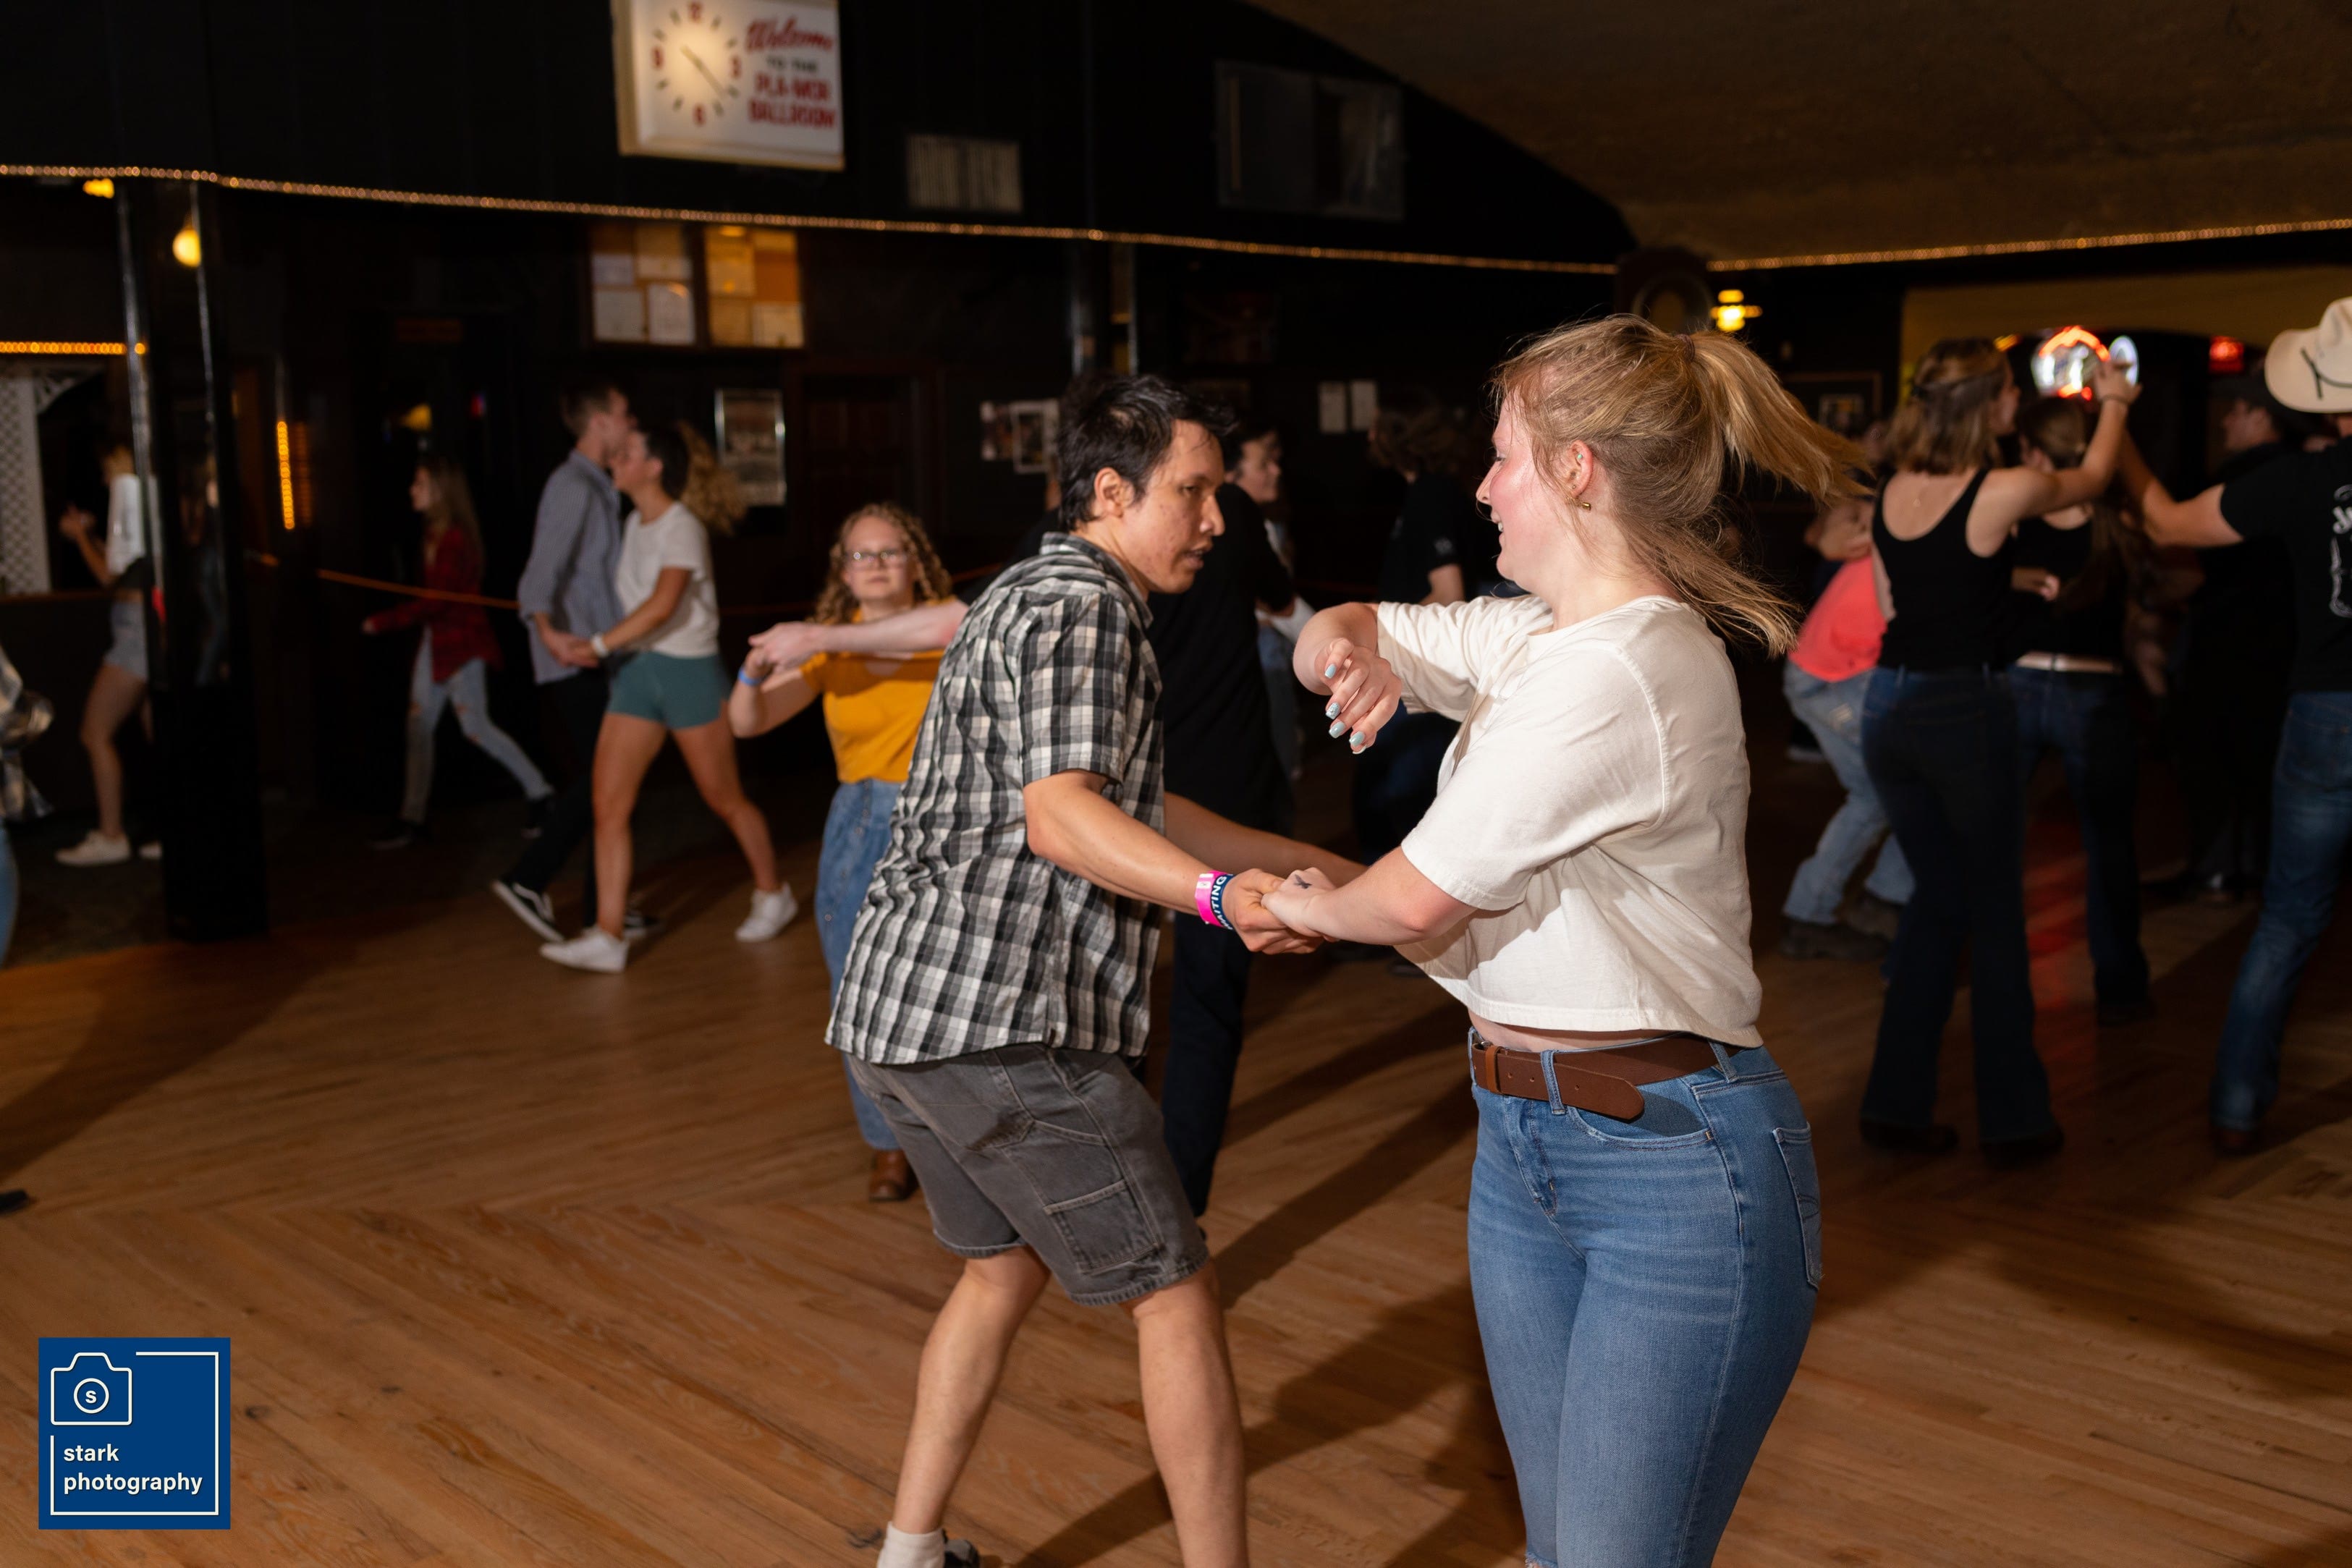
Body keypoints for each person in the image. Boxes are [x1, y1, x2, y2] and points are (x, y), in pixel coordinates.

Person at [1261, 317, 1844, 1568]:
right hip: (1519, 1142)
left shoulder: (1624, 670)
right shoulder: (1538, 636)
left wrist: (1299, 899)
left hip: (1671, 1168)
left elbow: (1411, 902)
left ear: (1577, 469)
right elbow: (1346, 623)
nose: (1481, 487)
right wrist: (1344, 654)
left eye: (1504, 457)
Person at [828, 376, 1359, 1568]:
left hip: (900, 1019)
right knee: (1174, 1292)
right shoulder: (1088, 609)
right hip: (1001, 1027)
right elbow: (1065, 818)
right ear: (1111, 493)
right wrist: (1218, 900)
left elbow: (1143, 807)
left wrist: (1339, 877)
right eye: (1194, 492)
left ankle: (910, 1551)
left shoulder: (1032, 590)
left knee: (1001, 1270)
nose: (1216, 519)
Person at [1860, 339, 2138, 1164]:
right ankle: (2015, 1122)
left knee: (1937, 901)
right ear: (1987, 403)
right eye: (2011, 389)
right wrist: (2114, 401)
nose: (2018, 400)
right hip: (1961, 707)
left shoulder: (1893, 488)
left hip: (1888, 706)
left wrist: (1990, 585)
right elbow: (2093, 478)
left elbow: (1894, 604)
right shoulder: (1999, 489)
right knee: (1993, 914)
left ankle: (1894, 1107)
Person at [2118, 297, 2352, 1153]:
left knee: (2288, 919)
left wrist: (2116, 425)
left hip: (2326, 713)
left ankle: (2236, 1106)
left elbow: (2165, 522)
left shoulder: (2301, 479)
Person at [731, 502, 966, 1203]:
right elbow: (748, 722)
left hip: (945, 821)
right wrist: (751, 672)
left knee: (948, 990)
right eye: (862, 555)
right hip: (862, 825)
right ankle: (888, 1143)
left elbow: (952, 622)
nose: (877, 564)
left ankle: (957, 1140)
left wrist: (815, 633)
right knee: (859, 994)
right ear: (843, 571)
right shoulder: (828, 650)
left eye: (890, 551)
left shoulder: (947, 624)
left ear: (915, 561)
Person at [539, 424, 795, 972]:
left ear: (654, 467)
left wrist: (598, 645)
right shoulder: (634, 524)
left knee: (723, 797)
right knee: (609, 804)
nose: (615, 459)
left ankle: (774, 893)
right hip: (638, 673)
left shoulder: (682, 526)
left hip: (688, 674)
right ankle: (608, 935)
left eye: (627, 453)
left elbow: (662, 605)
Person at [2006, 397, 2153, 1025]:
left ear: (2040, 452)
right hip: (2094, 688)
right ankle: (2121, 987)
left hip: (2021, 680)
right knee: (2110, 844)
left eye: (2024, 449)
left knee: (1996, 841)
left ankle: (1992, 979)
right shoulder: (2118, 521)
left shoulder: (2014, 515)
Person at [493, 376, 642, 942]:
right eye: (624, 413)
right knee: (606, 779)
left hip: (600, 654)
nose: (631, 421)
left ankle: (602, 908)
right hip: (578, 657)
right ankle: (527, 879)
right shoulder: (573, 486)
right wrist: (550, 635)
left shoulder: (598, 484)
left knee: (612, 780)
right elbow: (540, 574)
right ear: (599, 421)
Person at [2152, 369, 2305, 902]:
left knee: (2213, 755)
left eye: (2237, 411)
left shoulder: (2246, 478)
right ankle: (2255, 868)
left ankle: (2218, 868)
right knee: (2262, 759)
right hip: (2282, 645)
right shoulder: (2306, 472)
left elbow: (2179, 537)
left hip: (2231, 642)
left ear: (2262, 417)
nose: (2225, 422)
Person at [361, 455, 553, 849]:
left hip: (461, 645)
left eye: (420, 483)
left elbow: (438, 602)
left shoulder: (453, 539)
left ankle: (542, 794)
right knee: (418, 726)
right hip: (439, 642)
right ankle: (412, 817)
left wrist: (384, 621)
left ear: (440, 489)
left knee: (476, 727)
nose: (412, 491)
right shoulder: (435, 535)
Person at [1354, 390, 1492, 886]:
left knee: (1399, 799)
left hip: (1418, 672)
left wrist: (1382, 630)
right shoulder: (1424, 492)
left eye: (1377, 425)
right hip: (1410, 669)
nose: (1369, 434)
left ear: (1397, 433)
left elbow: (1448, 593)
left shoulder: (1431, 494)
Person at [1780, 488, 1913, 959]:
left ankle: (1859, 904)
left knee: (1895, 792)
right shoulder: (1901, 513)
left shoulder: (1903, 511)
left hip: (1836, 672)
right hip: (1830, 680)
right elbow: (1823, 527)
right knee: (1903, 790)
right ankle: (1835, 909)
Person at [53, 444, 156, 866]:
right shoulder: (147, 507)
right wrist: (92, 537)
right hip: (145, 622)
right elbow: (124, 565)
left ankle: (111, 835)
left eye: (107, 472)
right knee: (159, 733)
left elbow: (107, 575)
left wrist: (80, 537)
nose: (103, 481)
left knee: (95, 733)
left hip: (135, 629)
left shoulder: (131, 501)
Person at [1230, 417, 1315, 781]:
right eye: (1263, 464)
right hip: (1260, 662)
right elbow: (1280, 602)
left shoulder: (1261, 523)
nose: (1276, 471)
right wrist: (1329, 640)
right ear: (1231, 476)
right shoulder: (1238, 530)